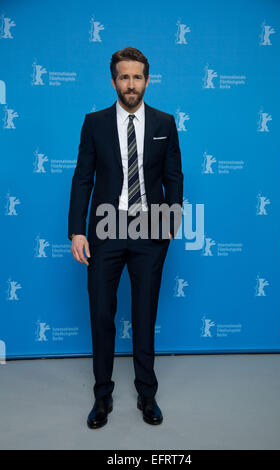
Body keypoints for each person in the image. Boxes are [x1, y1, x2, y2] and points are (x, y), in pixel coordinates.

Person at [68, 47, 183, 429]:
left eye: (136, 77)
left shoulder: (165, 122)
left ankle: (147, 394)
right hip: (105, 227)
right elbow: (83, 178)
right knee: (101, 313)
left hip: (150, 230)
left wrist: (174, 215)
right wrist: (77, 230)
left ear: (147, 80)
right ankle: (102, 396)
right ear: (113, 80)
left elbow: (173, 175)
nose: (130, 84)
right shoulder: (94, 123)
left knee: (144, 314)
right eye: (123, 77)